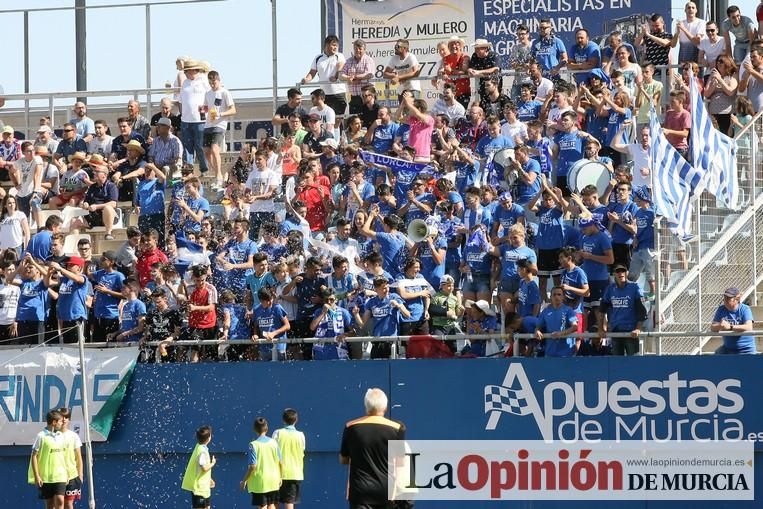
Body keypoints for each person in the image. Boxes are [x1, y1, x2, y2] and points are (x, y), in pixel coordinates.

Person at [340, 388, 405, 509]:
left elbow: (343, 459)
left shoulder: (351, 427)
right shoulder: (396, 429)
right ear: (385, 407)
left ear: (366, 407)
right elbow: (400, 462)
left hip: (360, 492)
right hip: (386, 491)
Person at [599, 264, 646, 355]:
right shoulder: (610, 289)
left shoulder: (635, 287)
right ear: (614, 274)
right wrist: (601, 328)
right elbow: (602, 309)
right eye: (618, 271)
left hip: (631, 332)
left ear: (627, 273)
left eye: (623, 271)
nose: (621, 273)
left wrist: (638, 329)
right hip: (616, 331)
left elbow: (642, 310)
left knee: (633, 361)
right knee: (617, 363)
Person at [240, 417, 282, 509]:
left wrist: (244, 480)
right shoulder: (274, 443)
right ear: (266, 428)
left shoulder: (253, 445)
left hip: (260, 482)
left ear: (255, 429)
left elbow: (253, 466)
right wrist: (280, 477)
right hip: (274, 479)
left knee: (262, 505)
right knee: (271, 504)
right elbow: (280, 462)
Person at [29, 409, 68, 509]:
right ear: (54, 422)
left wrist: (66, 473)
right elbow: (34, 455)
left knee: (60, 500)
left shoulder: (61, 436)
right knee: (50, 505)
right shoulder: (41, 436)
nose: (62, 423)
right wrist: (37, 476)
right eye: (60, 421)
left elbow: (63, 456)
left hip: (60, 476)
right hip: (46, 478)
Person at [179, 60, 211, 173]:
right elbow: (181, 101)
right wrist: (182, 114)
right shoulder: (185, 83)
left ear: (193, 70)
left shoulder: (204, 80)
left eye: (187, 71)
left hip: (200, 119)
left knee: (199, 146)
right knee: (187, 147)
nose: (186, 73)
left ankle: (204, 167)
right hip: (186, 120)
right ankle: (189, 169)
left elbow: (210, 96)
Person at [272, 409, 305, 509]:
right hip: (295, 473)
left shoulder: (277, 433)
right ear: (296, 420)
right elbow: (302, 450)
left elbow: (272, 451)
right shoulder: (301, 435)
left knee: (274, 500)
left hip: (278, 473)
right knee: (289, 502)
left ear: (283, 420)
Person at [535, 286, 579, 357]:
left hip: (567, 353)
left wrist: (560, 334)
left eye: (559, 294)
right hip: (550, 353)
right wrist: (537, 331)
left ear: (563, 297)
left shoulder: (569, 310)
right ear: (550, 297)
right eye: (554, 295)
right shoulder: (545, 311)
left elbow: (575, 327)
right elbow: (538, 327)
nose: (556, 297)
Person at [711, 287, 756, 354]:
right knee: (715, 358)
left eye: (728, 298)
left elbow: (749, 327)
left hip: (746, 349)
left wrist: (730, 327)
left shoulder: (745, 309)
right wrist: (720, 326)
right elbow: (712, 327)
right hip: (728, 349)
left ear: (737, 299)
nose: (725, 300)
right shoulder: (721, 309)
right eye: (725, 297)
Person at [181, 425, 216, 509]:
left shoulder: (201, 448)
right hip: (199, 489)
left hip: (204, 489)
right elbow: (204, 468)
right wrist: (213, 463)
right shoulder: (201, 451)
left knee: (207, 507)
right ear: (208, 438)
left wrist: (209, 479)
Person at [57, 408, 83, 509]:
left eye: (66, 417)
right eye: (61, 417)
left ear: (69, 419)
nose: (64, 420)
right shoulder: (51, 436)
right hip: (56, 477)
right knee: (58, 504)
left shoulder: (74, 436)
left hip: (72, 476)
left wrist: (80, 475)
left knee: (68, 504)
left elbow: (78, 457)